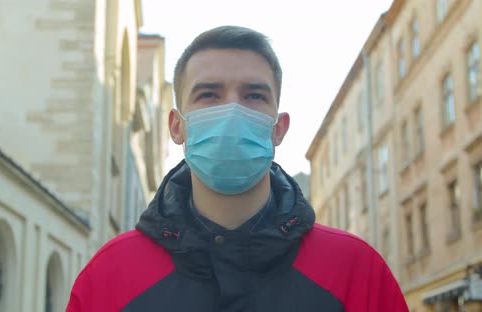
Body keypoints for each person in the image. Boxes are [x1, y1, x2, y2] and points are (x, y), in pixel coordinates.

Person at [66, 25, 409, 312]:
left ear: (279, 128)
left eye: (254, 95)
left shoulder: (355, 270)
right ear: (176, 126)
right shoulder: (110, 275)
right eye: (209, 95)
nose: (232, 110)